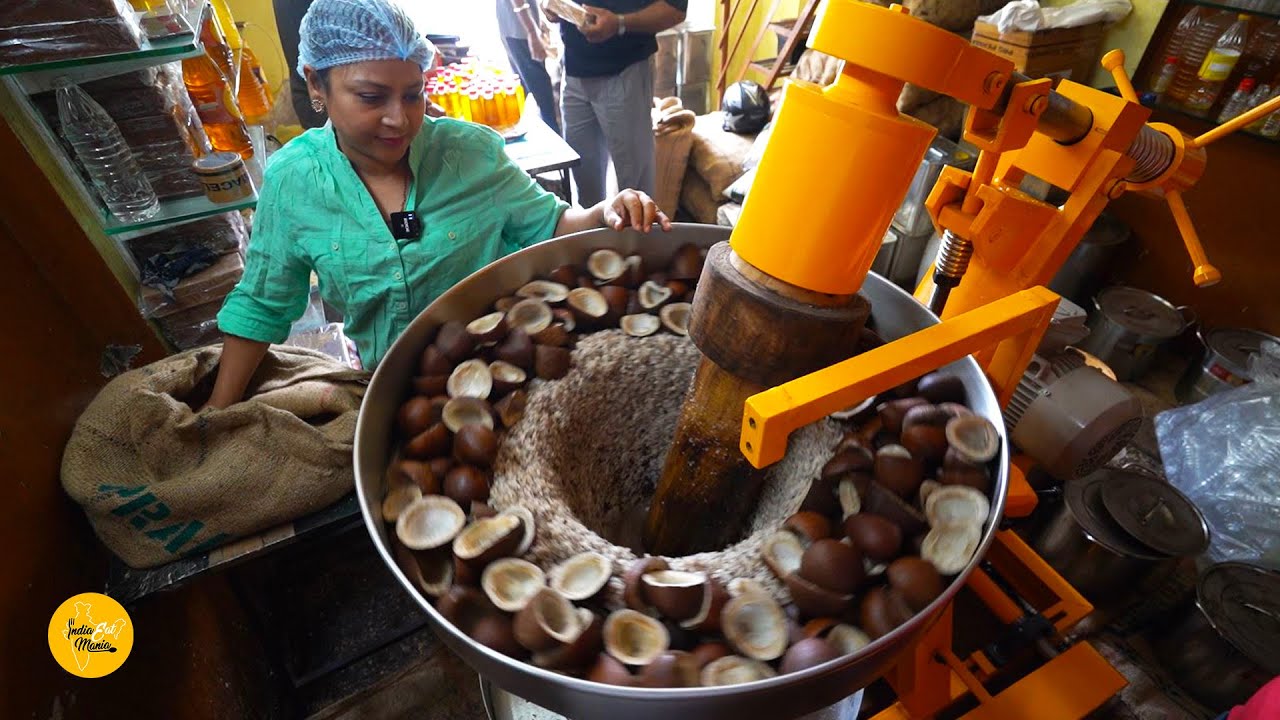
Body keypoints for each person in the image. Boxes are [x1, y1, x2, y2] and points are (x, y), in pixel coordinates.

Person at [207, 0, 670, 410]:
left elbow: (548, 223)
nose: (399, 119)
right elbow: (261, 305)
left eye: (413, 95)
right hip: (392, 396)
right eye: (371, 97)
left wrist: (608, 210)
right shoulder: (295, 181)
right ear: (316, 84)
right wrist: (217, 410)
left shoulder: (469, 152)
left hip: (503, 372)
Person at [543, 1, 687, 207]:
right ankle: (596, 239)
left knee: (635, 188)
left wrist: (620, 23)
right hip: (573, 70)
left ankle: (637, 240)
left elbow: (676, 10)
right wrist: (552, 7)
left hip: (624, 71)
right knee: (585, 186)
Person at [497, 0, 560, 133]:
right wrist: (532, 31)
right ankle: (555, 137)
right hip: (520, 29)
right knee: (542, 91)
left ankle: (512, 132)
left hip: (515, 27)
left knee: (523, 86)